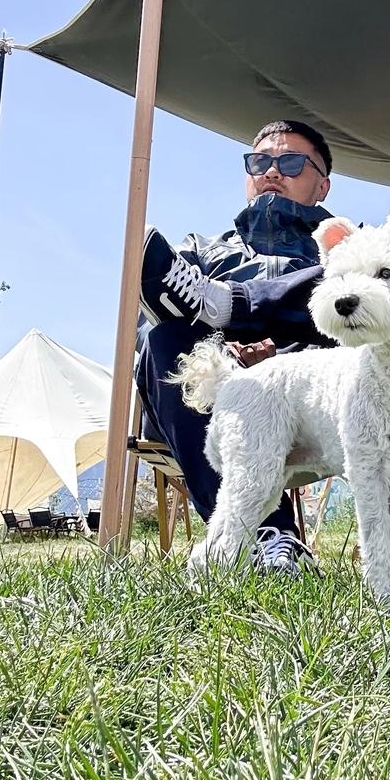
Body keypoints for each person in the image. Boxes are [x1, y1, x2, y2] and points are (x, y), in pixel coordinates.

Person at [135, 119, 335, 574]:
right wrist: (226, 359)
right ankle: (271, 535)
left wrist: (279, 361)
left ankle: (224, 304)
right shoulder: (198, 251)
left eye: (289, 162)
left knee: (366, 276)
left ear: (321, 185)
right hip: (212, 401)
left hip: (313, 399)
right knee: (164, 335)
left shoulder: (340, 246)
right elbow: (144, 329)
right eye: (260, 161)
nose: (271, 171)